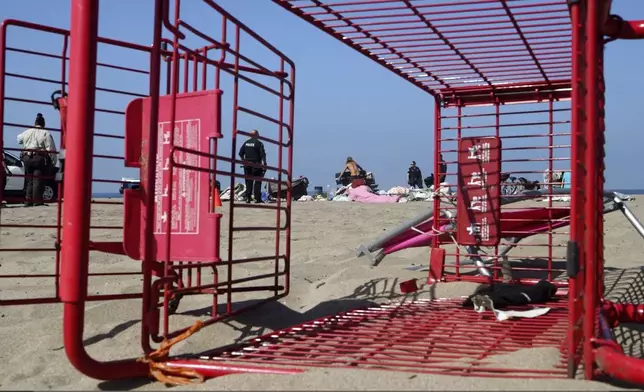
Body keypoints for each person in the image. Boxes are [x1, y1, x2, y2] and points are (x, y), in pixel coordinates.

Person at [17, 113, 57, 206]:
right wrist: (53, 162)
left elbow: (18, 139)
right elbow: (51, 148)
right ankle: (37, 200)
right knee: (38, 179)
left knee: (29, 179)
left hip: (26, 157)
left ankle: (28, 200)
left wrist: (24, 146)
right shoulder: (45, 133)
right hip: (39, 158)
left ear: (35, 123)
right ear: (43, 124)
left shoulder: (27, 132)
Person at [238, 129, 267, 203]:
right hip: (257, 165)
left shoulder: (246, 143)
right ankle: (257, 198)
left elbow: (240, 154)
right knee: (257, 182)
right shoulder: (259, 143)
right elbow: (263, 155)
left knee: (248, 182)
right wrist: (265, 164)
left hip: (247, 165)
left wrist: (243, 162)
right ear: (256, 135)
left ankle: (248, 198)